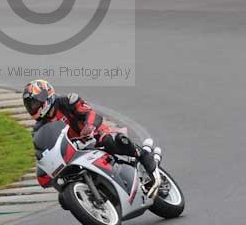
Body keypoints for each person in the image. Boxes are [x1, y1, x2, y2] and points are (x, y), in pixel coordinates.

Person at [22, 79, 161, 195]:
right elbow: (42, 151)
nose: (33, 108)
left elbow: (92, 114)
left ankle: (144, 156)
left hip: (94, 135)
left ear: (46, 96)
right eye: (30, 105)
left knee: (111, 141)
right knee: (64, 198)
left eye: (34, 103)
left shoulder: (67, 101)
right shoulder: (38, 128)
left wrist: (89, 126)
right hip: (73, 151)